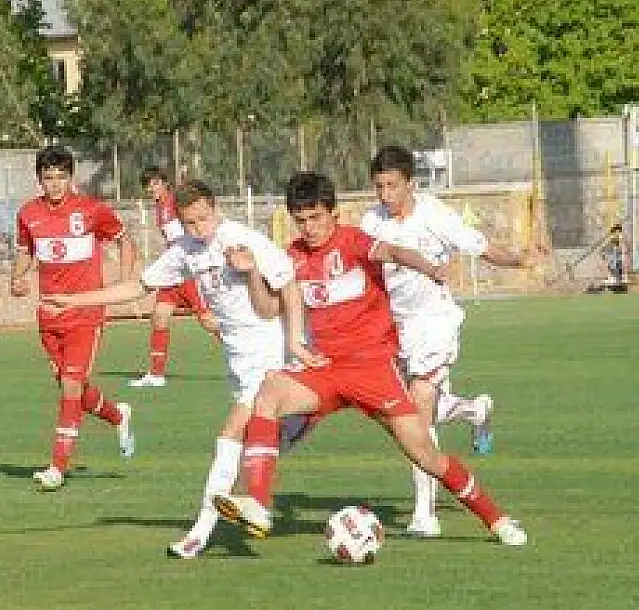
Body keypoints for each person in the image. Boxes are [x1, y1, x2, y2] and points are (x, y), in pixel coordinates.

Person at [212, 171, 528, 547]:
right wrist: (251, 276)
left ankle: (497, 519)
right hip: (326, 368)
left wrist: (426, 266)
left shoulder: (354, 242)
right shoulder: (291, 258)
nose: (309, 227)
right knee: (269, 392)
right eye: (301, 220)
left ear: (334, 213)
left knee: (426, 455)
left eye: (316, 217)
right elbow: (267, 310)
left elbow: (393, 252)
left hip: (374, 369)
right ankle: (259, 504)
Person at [41, 180, 298, 559]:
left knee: (228, 438)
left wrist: (294, 341)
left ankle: (201, 530)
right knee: (261, 437)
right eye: (190, 223)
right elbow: (137, 287)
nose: (199, 229)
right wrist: (75, 300)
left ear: (216, 208)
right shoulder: (185, 251)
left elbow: (289, 289)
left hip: (269, 353)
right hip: (239, 359)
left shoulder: (245, 240)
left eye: (204, 219)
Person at [359, 144, 542, 539]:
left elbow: (479, 246)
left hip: (434, 325)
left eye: (392, 186)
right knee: (401, 414)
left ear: (410, 184)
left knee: (418, 408)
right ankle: (475, 411)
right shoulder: (371, 222)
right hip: (393, 329)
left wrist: (518, 259)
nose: (385, 195)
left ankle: (424, 514)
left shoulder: (433, 214)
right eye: (379, 187)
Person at [9, 145, 137, 492]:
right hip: (49, 316)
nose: (54, 184)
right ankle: (118, 415)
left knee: (69, 387)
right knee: (73, 387)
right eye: (48, 178)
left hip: (85, 315)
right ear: (39, 180)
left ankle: (57, 467)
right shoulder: (28, 213)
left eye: (61, 177)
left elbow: (126, 241)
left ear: (71, 178)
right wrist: (17, 277)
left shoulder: (91, 210)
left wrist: (124, 281)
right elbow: (26, 252)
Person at [126, 167, 220, 388]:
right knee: (159, 316)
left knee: (208, 322)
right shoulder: (160, 207)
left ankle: (253, 358)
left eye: (155, 183)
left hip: (189, 273)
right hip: (174, 274)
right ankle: (156, 375)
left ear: (164, 183)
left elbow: (194, 231)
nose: (151, 188)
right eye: (148, 185)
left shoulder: (175, 202)